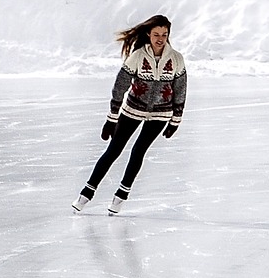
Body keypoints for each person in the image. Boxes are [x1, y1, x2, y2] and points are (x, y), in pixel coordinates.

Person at [74, 13, 187, 214]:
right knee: (114, 150)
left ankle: (120, 197)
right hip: (132, 110)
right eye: (156, 34)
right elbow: (120, 87)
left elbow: (181, 90)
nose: (160, 38)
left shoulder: (177, 59)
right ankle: (86, 194)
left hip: (160, 115)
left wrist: (175, 120)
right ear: (148, 34)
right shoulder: (137, 57)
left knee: (138, 152)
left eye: (164, 34)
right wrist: (112, 118)